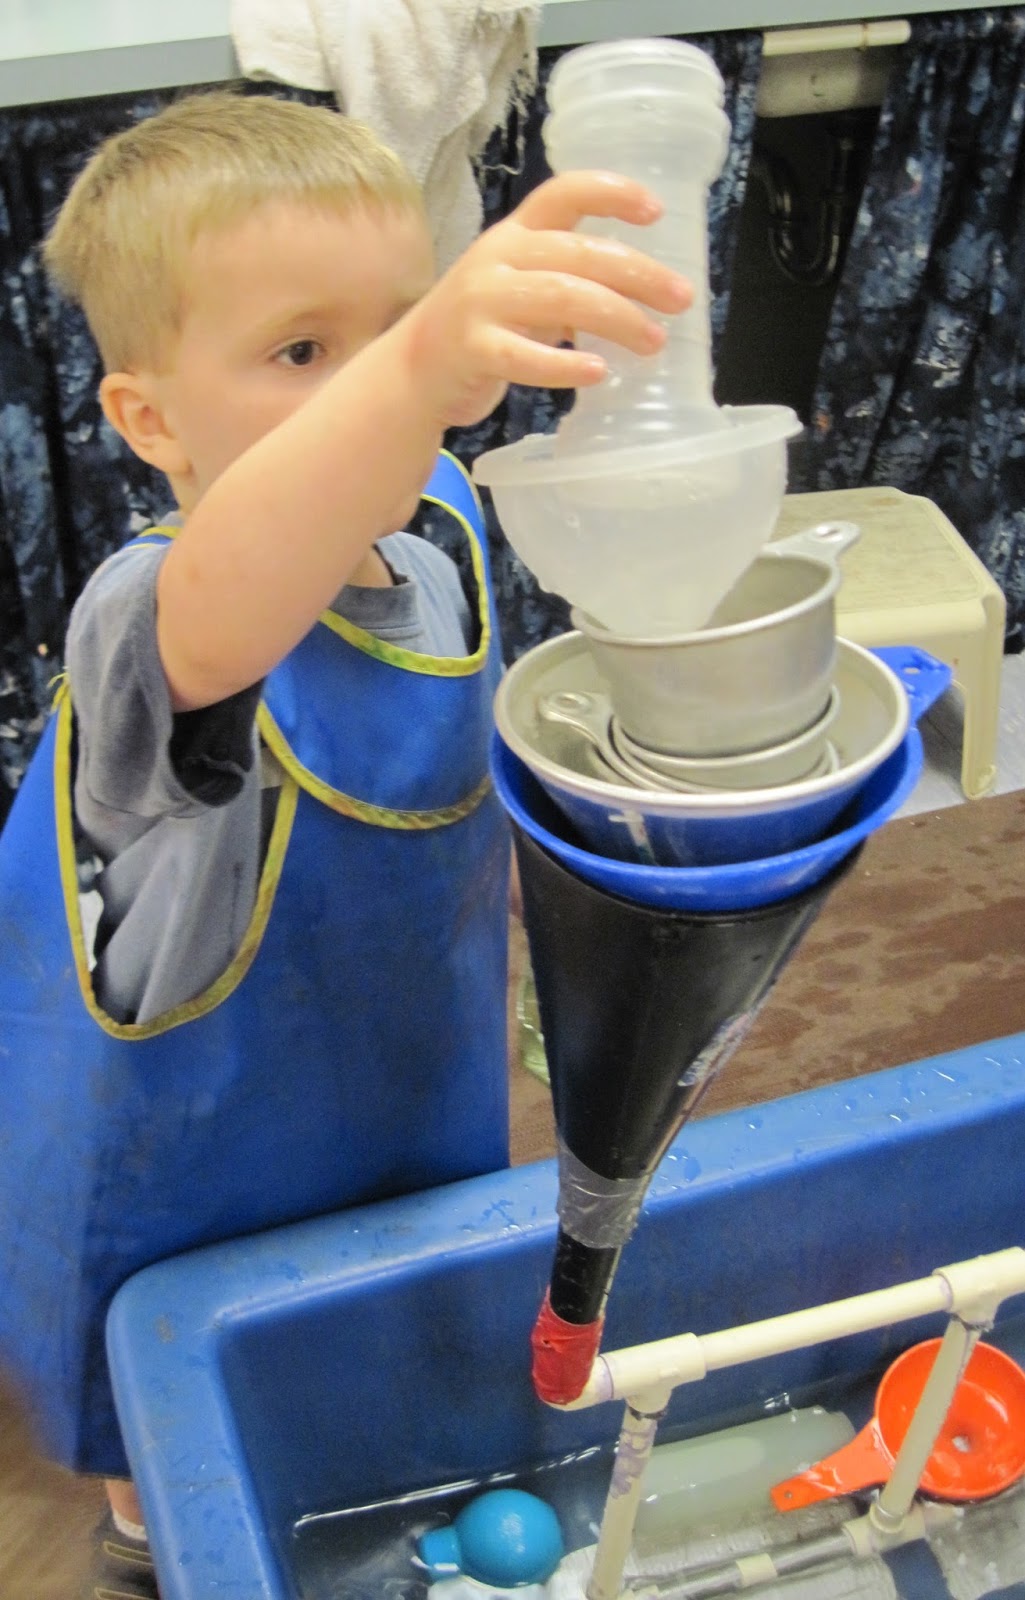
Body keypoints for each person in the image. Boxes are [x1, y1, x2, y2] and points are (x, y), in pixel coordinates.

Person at [0, 91, 691, 1598]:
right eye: (301, 354)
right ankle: (153, 1534)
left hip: (396, 1057)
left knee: (388, 1305)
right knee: (174, 1413)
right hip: (181, 1140)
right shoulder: (154, 612)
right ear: (151, 419)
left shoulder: (437, 524)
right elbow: (240, 596)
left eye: (395, 329)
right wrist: (426, 364)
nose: (378, 386)